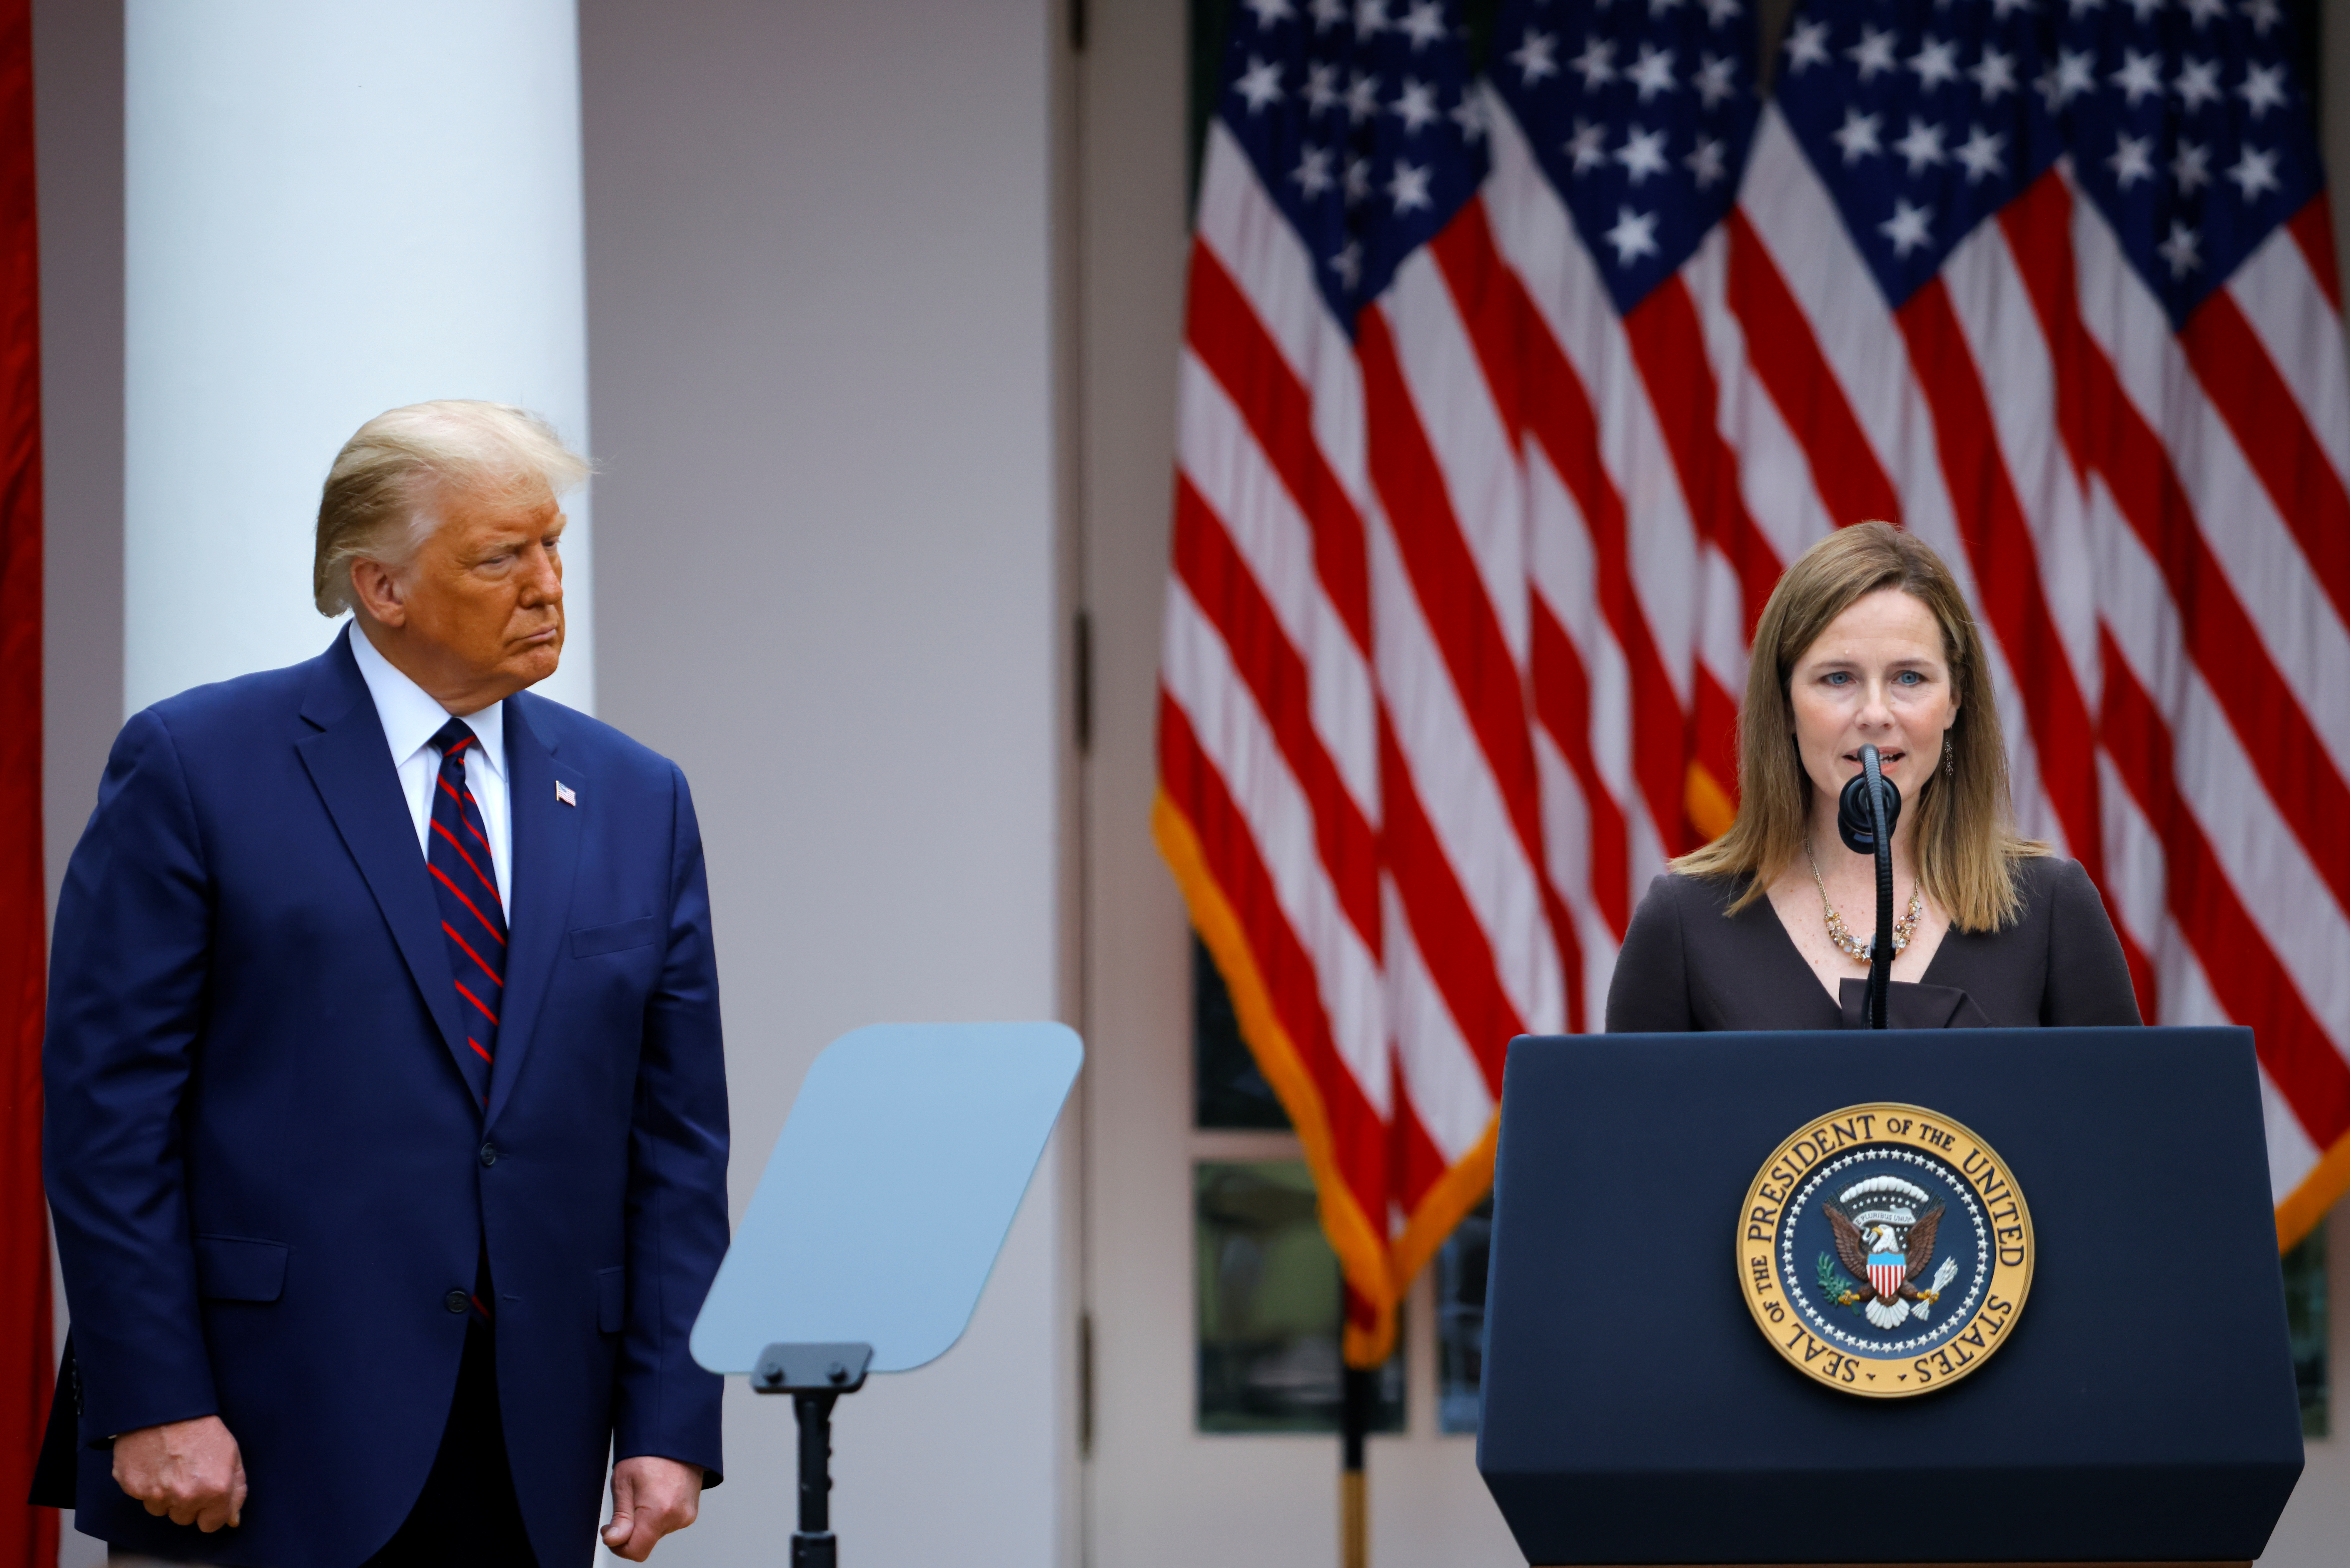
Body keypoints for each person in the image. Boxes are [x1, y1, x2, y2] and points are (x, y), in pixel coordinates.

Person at [34, 402, 729, 1567]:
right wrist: (152, 1396)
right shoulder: (196, 767)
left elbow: (674, 1139)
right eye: (502, 556)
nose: (549, 584)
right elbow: (109, 1116)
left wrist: (669, 1416)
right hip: (250, 1442)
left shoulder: (637, 797)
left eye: (553, 545)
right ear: (381, 586)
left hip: (531, 1443)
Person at [1605, 521, 2140, 1033]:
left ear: (1955, 700)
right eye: (1839, 678)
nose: (1876, 713)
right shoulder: (1682, 920)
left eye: (1910, 677)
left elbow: (2124, 1123)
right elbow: (1630, 1126)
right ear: (1786, 705)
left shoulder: (2050, 908)